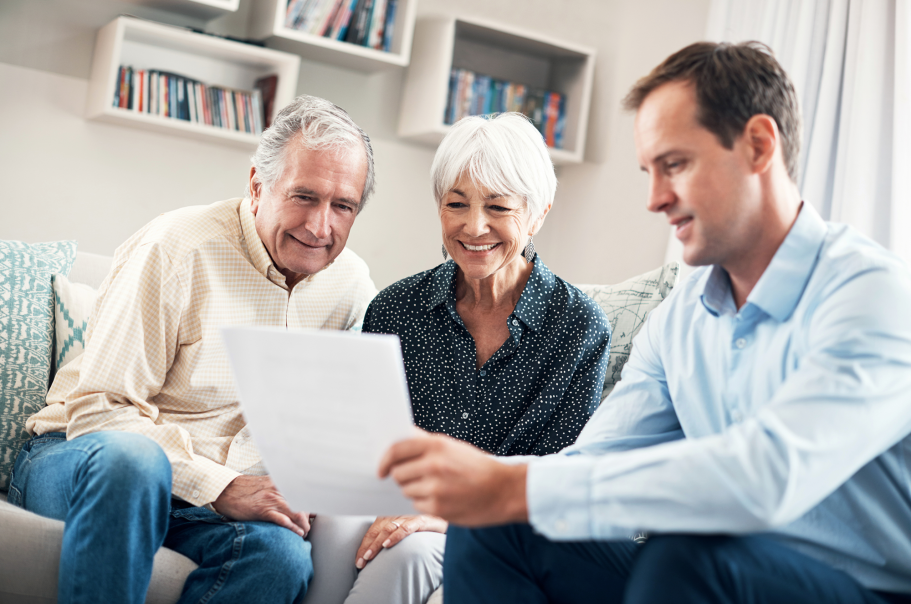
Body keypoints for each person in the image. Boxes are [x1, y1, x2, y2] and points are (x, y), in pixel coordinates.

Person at [378, 41, 911, 604]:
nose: (655, 199)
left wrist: (511, 481)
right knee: (497, 524)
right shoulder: (681, 317)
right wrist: (493, 495)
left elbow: (766, 479)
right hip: (714, 571)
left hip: (860, 589)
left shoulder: (869, 295)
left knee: (686, 555)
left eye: (675, 165)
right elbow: (596, 460)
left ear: (758, 145)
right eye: (649, 171)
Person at [9, 95, 378, 604]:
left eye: (343, 206)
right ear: (256, 185)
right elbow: (97, 413)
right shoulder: (177, 246)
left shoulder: (352, 286)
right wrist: (222, 486)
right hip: (87, 461)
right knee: (136, 463)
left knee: (283, 558)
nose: (321, 227)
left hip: (205, 506)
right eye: (304, 197)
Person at [330, 112, 611, 604]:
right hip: (391, 502)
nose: (473, 226)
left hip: (502, 524)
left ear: (539, 212)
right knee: (334, 529)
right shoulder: (395, 309)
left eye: (498, 207)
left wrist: (447, 515)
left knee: (410, 554)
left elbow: (559, 476)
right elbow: (363, 446)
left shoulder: (579, 326)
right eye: (455, 203)